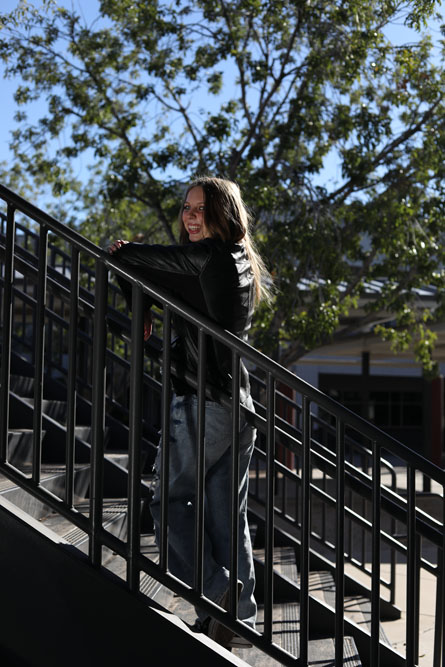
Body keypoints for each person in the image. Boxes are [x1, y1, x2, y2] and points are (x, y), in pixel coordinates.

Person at [108, 176, 271, 649]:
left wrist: (129, 280)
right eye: (186, 208)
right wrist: (142, 309)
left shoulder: (209, 258)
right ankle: (237, 622)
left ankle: (218, 592)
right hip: (237, 407)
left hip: (203, 404)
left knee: (166, 503)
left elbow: (131, 258)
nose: (191, 216)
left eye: (202, 208)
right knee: (226, 517)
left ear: (226, 213)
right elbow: (152, 274)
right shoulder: (236, 262)